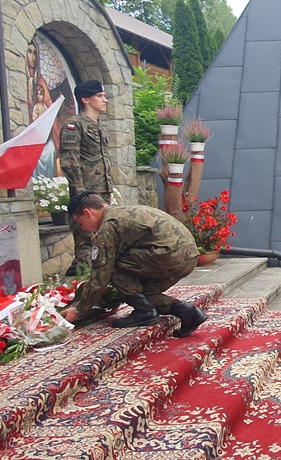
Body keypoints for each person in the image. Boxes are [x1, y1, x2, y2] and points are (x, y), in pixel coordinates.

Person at [59, 192, 207, 337]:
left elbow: (100, 275)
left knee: (111, 265)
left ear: (88, 212)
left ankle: (145, 312)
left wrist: (79, 310)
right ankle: (189, 313)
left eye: (80, 222)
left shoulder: (107, 227)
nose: (83, 228)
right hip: (189, 256)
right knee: (141, 294)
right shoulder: (123, 211)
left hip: (170, 256)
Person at [58, 80, 114, 277]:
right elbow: (69, 162)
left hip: (102, 192)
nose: (105, 100)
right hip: (86, 194)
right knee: (86, 240)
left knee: (104, 237)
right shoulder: (74, 126)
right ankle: (83, 282)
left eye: (103, 95)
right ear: (85, 99)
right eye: (99, 96)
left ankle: (103, 280)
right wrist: (81, 195)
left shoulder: (100, 127)